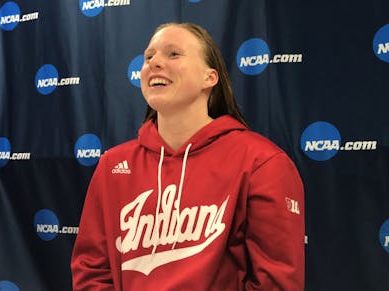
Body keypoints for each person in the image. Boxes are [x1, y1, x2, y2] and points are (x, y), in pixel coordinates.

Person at [71, 22, 305, 291]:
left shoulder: (261, 162)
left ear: (210, 78)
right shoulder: (113, 165)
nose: (154, 63)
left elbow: (276, 282)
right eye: (149, 57)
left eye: (173, 54)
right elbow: (91, 269)